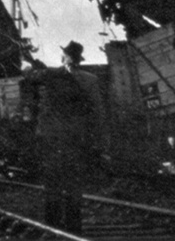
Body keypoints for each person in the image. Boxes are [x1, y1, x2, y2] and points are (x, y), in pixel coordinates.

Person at [23, 41, 108, 234]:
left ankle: (53, 227)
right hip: (77, 139)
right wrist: (99, 142)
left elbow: (29, 76)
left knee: (52, 182)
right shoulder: (90, 79)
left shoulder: (51, 75)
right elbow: (98, 112)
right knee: (74, 184)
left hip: (52, 139)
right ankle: (74, 228)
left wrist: (27, 67)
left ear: (66, 57)